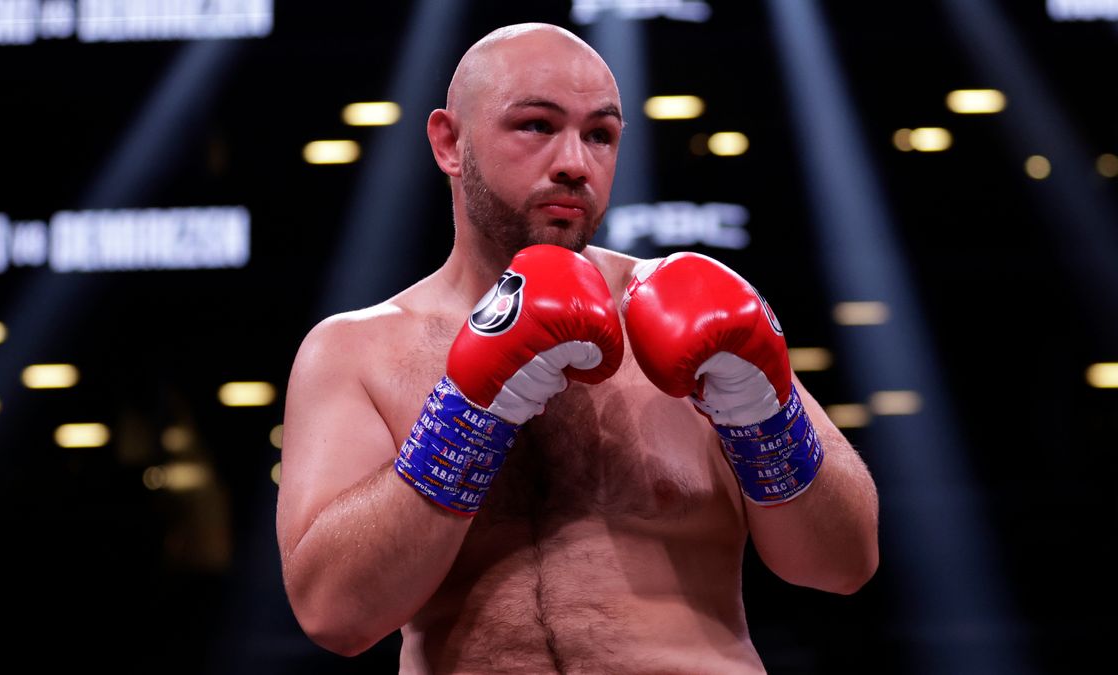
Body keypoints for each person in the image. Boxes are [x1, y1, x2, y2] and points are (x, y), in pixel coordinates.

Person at [276, 22, 879, 674]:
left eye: (600, 135)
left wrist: (766, 409)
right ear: (449, 143)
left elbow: (843, 564)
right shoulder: (361, 350)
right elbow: (334, 615)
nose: (575, 162)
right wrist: (465, 413)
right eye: (537, 125)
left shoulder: (685, 314)